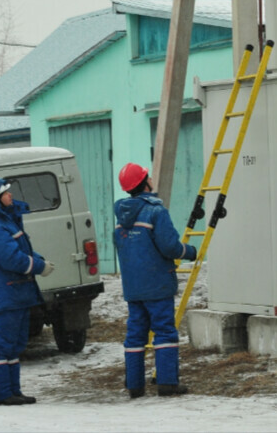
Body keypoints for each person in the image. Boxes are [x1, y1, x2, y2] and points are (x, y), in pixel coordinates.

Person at [113, 162, 197, 399]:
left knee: (135, 335)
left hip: (134, 288)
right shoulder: (155, 212)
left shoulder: (120, 217)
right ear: (145, 181)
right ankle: (168, 383)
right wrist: (189, 251)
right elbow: (169, 246)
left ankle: (135, 386)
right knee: (164, 332)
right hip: (157, 284)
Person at [0, 177, 55, 407]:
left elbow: (21, 250)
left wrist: (39, 259)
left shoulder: (5, 221)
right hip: (5, 296)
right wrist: (39, 266)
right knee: (1, 344)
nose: (11, 195)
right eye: (5, 193)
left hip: (15, 294)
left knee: (15, 343)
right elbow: (12, 259)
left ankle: (11, 391)